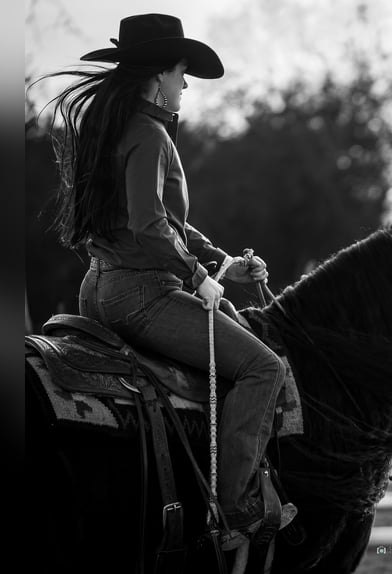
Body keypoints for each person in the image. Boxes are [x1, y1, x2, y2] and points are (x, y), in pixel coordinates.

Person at [41, 13, 294, 550]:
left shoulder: (110, 128)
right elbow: (151, 225)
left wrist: (220, 263)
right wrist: (199, 276)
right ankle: (236, 508)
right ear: (157, 76)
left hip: (99, 288)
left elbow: (158, 224)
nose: (185, 85)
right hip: (143, 296)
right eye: (182, 74)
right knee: (262, 367)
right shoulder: (151, 134)